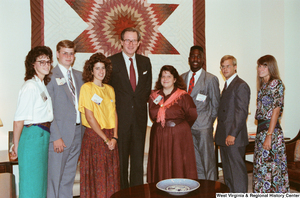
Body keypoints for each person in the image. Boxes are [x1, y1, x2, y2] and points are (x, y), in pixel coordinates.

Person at [108, 27, 152, 189]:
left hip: (140, 120)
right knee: (120, 162)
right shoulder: (111, 62)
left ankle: (137, 193)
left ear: (139, 43)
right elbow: (107, 92)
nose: (131, 43)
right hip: (120, 120)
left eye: (134, 40)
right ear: (121, 42)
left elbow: (146, 90)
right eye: (127, 40)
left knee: (137, 162)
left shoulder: (145, 62)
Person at [11, 46, 53, 198]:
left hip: (42, 136)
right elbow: (18, 121)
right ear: (32, 65)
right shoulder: (30, 86)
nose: (46, 64)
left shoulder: (41, 85)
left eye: (48, 61)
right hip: (32, 138)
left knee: (39, 185)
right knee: (31, 186)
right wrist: (16, 146)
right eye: (41, 61)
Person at [47, 40, 85, 198]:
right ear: (57, 54)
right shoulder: (49, 76)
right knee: (55, 179)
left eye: (71, 53)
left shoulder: (80, 76)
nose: (68, 56)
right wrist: (56, 137)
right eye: (65, 53)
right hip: (60, 136)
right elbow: (48, 111)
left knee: (68, 178)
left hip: (77, 133)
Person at [79, 52, 120, 198]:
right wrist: (105, 139)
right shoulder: (87, 88)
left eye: (103, 68)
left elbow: (114, 114)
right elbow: (89, 117)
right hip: (95, 137)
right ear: (91, 70)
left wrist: (114, 137)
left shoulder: (110, 89)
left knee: (111, 176)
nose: (100, 71)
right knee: (97, 178)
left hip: (110, 138)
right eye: (97, 68)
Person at [147, 65, 198, 183]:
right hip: (159, 135)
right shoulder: (154, 96)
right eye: (163, 76)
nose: (165, 79)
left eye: (169, 76)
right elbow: (152, 114)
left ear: (175, 79)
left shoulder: (183, 96)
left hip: (178, 136)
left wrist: (180, 127)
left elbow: (192, 114)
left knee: (178, 164)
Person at [181, 45, 220, 180]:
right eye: (193, 56)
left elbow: (216, 105)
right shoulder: (181, 78)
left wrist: (208, 123)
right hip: (187, 128)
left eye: (198, 56)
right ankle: (202, 189)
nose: (195, 59)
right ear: (189, 59)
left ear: (203, 60)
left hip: (203, 128)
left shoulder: (210, 79)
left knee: (208, 162)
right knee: (195, 162)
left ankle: (212, 190)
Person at [253, 55, 289, 193]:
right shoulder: (263, 86)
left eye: (264, 66)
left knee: (271, 169)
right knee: (261, 168)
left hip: (270, 132)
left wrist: (269, 134)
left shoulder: (276, 84)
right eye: (259, 66)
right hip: (261, 131)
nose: (260, 69)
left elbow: (276, 111)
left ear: (271, 67)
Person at [215, 55, 250, 193]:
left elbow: (241, 113)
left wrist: (232, 134)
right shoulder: (226, 85)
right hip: (224, 136)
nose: (225, 69)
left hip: (233, 137)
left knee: (237, 172)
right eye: (223, 66)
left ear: (235, 67)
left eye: (228, 66)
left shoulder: (241, 85)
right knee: (228, 173)